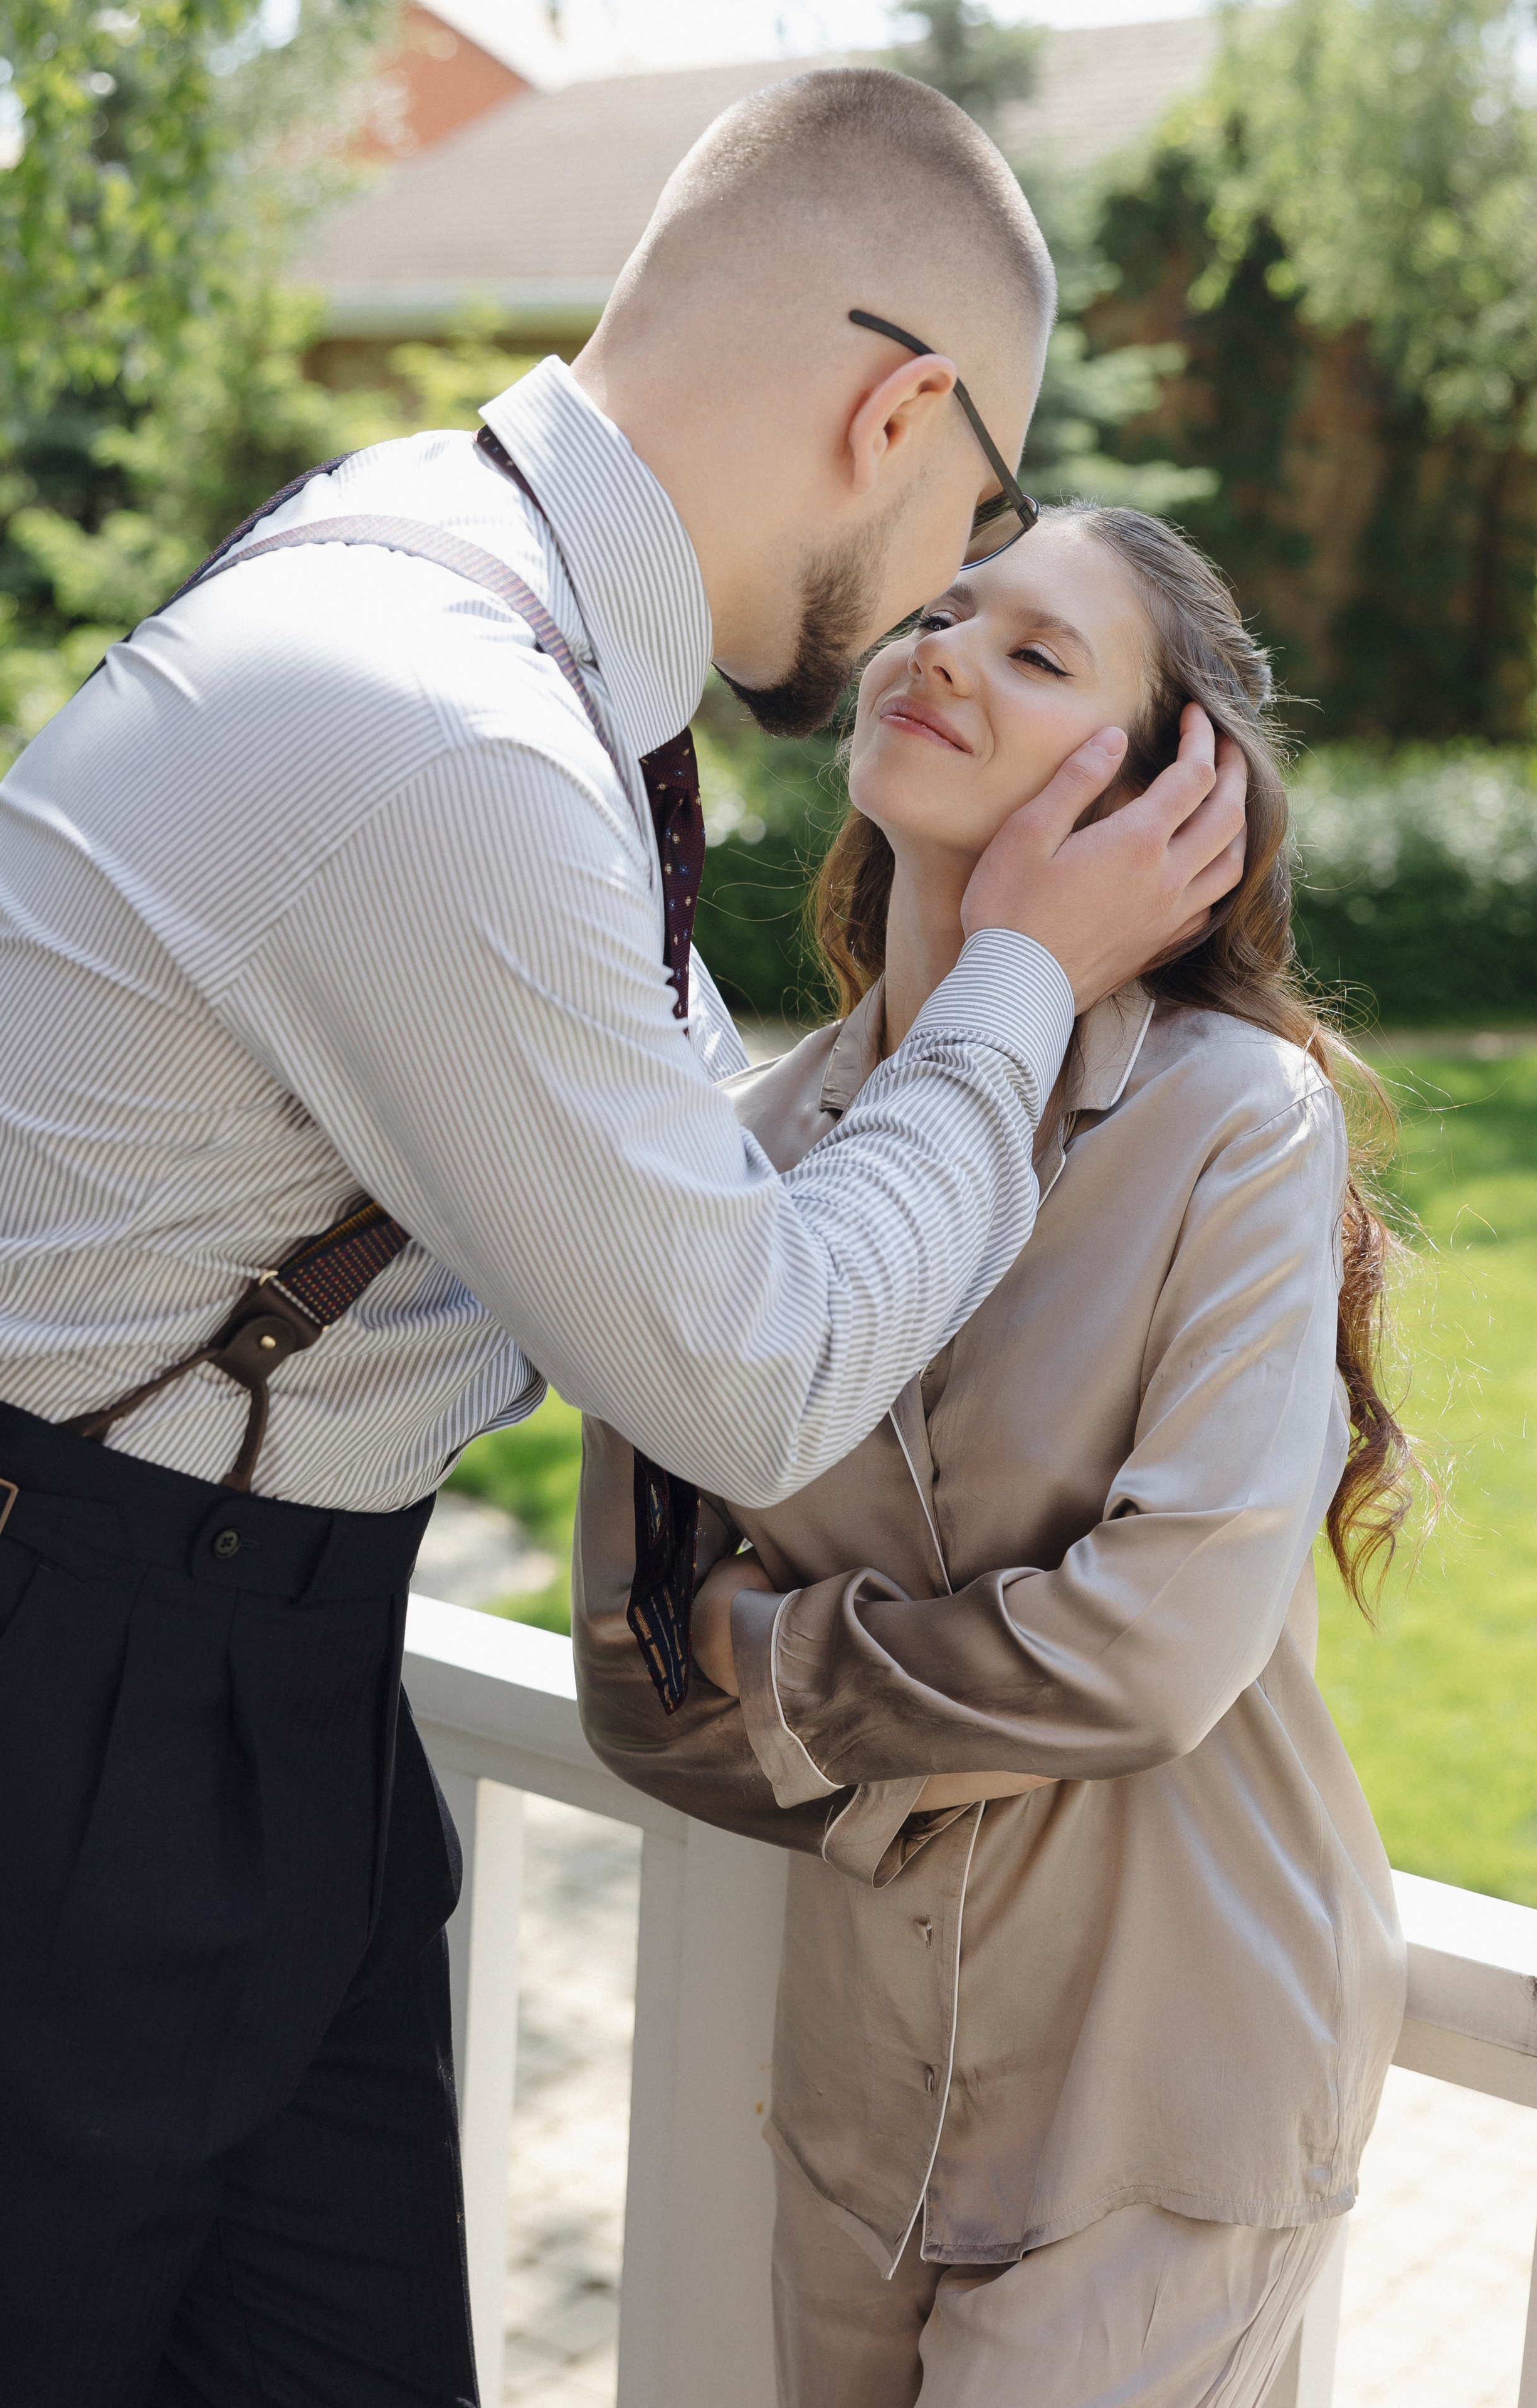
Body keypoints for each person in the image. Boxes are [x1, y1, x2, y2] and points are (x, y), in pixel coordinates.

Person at [0, 68, 1245, 2408]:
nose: (953, 583)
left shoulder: (498, 620)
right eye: (985, 504)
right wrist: (1030, 972)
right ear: (904, 407)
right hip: (51, 1699)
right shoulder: (450, 722)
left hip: (247, 1682)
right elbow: (738, 1351)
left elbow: (678, 1199)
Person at [574, 502, 1418, 2408]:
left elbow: (1157, 1652)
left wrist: (773, 1660)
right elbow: (633, 1681)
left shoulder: (1233, 1126)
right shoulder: (733, 1155)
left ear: (1164, 797)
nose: (938, 647)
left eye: (1038, 654)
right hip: (862, 2107)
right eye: (942, 612)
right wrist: (878, 1685)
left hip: (1174, 2095)